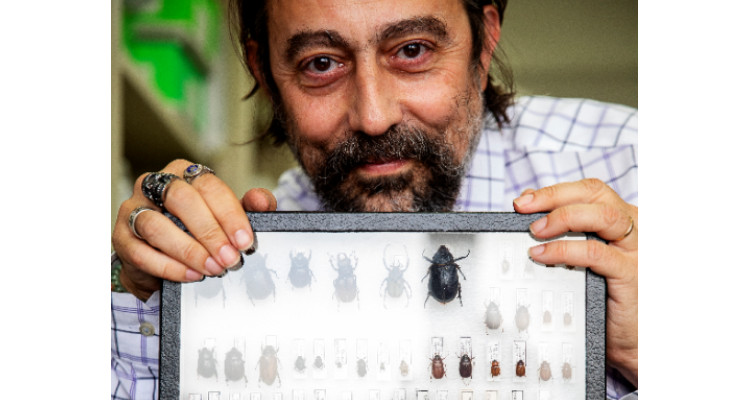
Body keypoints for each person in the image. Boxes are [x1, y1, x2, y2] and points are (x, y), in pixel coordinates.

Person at [111, 0, 637, 398]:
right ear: (265, 74)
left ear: (483, 45)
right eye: (321, 63)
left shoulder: (637, 170)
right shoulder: (245, 256)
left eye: (412, 50)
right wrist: (139, 298)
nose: (372, 115)